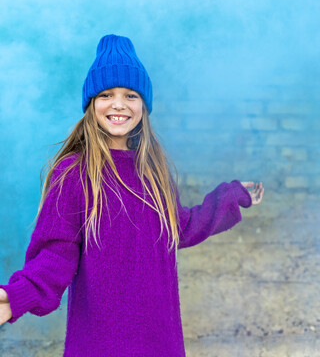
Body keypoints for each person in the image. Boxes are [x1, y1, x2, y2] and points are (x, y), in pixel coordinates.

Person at [0, 34, 264, 356]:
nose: (119, 104)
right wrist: (17, 296)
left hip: (161, 343)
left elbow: (180, 227)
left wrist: (231, 196)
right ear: (91, 104)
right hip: (99, 345)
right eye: (106, 94)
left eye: (130, 94)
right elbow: (55, 255)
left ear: (144, 105)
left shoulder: (154, 172)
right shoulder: (73, 174)